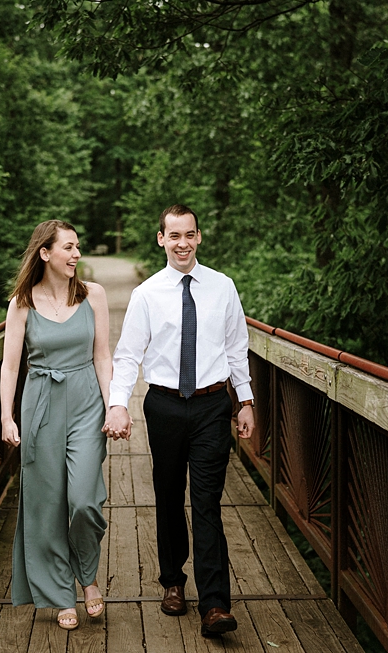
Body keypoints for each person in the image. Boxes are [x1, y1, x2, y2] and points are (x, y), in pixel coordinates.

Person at [102, 204, 255, 637]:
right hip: (164, 405)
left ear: (199, 237)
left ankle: (215, 605)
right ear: (161, 239)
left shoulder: (223, 287)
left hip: (211, 406)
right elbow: (129, 355)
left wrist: (246, 401)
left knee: (206, 502)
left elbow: (236, 348)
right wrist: (118, 404)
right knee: (168, 495)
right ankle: (172, 582)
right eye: (174, 236)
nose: (182, 243)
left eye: (189, 235)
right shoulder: (147, 294)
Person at [0, 220, 112, 631]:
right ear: (45, 253)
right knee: (46, 504)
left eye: (78, 247)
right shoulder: (22, 303)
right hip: (41, 402)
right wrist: (6, 415)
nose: (77, 255)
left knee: (84, 499)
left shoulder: (93, 295)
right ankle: (62, 592)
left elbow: (103, 357)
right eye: (69, 247)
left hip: (85, 402)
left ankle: (88, 574)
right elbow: (11, 364)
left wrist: (115, 405)